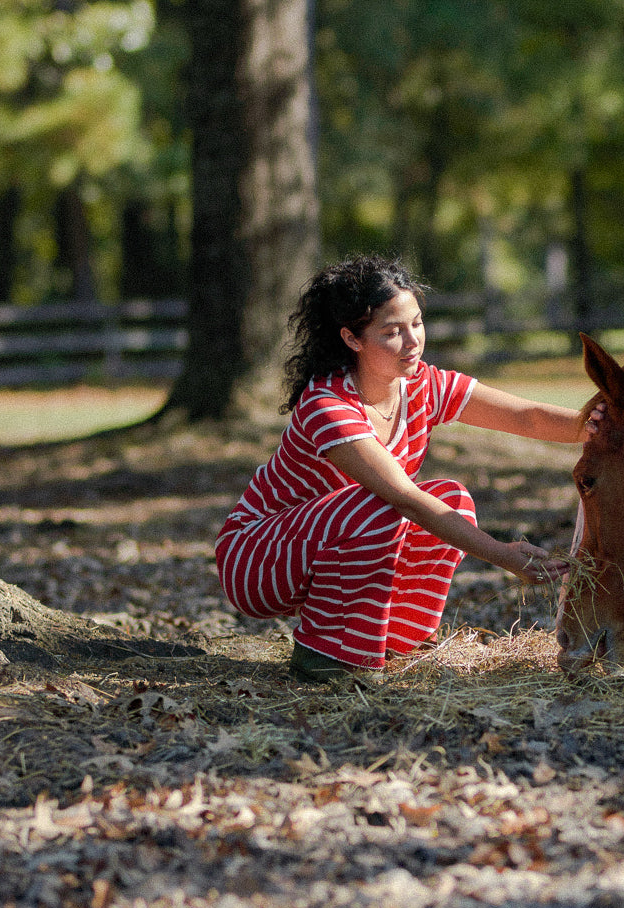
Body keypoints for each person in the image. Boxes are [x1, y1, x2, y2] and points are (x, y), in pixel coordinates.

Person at [216, 255, 601, 683]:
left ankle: (393, 641)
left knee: (451, 497)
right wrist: (502, 554)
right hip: (258, 557)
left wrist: (592, 425)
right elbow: (403, 498)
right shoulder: (327, 406)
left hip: (328, 541)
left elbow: (524, 416)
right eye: (392, 332)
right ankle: (325, 656)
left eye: (416, 323)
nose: (412, 341)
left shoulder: (422, 385)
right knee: (385, 505)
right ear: (352, 339)